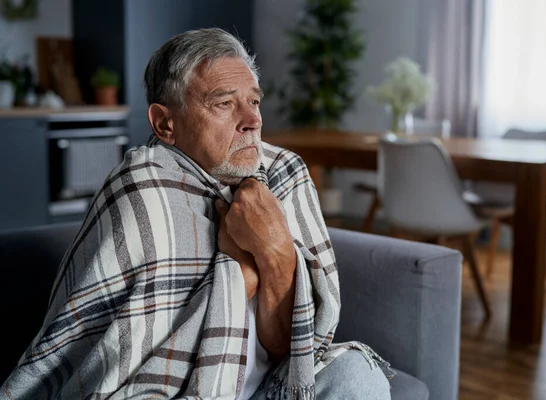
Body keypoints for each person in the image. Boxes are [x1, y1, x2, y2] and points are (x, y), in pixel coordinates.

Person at [0, 28, 393, 400]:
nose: (252, 120)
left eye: (254, 101)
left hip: (264, 387)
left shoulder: (282, 173)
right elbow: (122, 364)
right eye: (224, 103)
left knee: (356, 373)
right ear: (165, 123)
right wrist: (240, 275)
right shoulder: (142, 190)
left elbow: (287, 352)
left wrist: (276, 254)